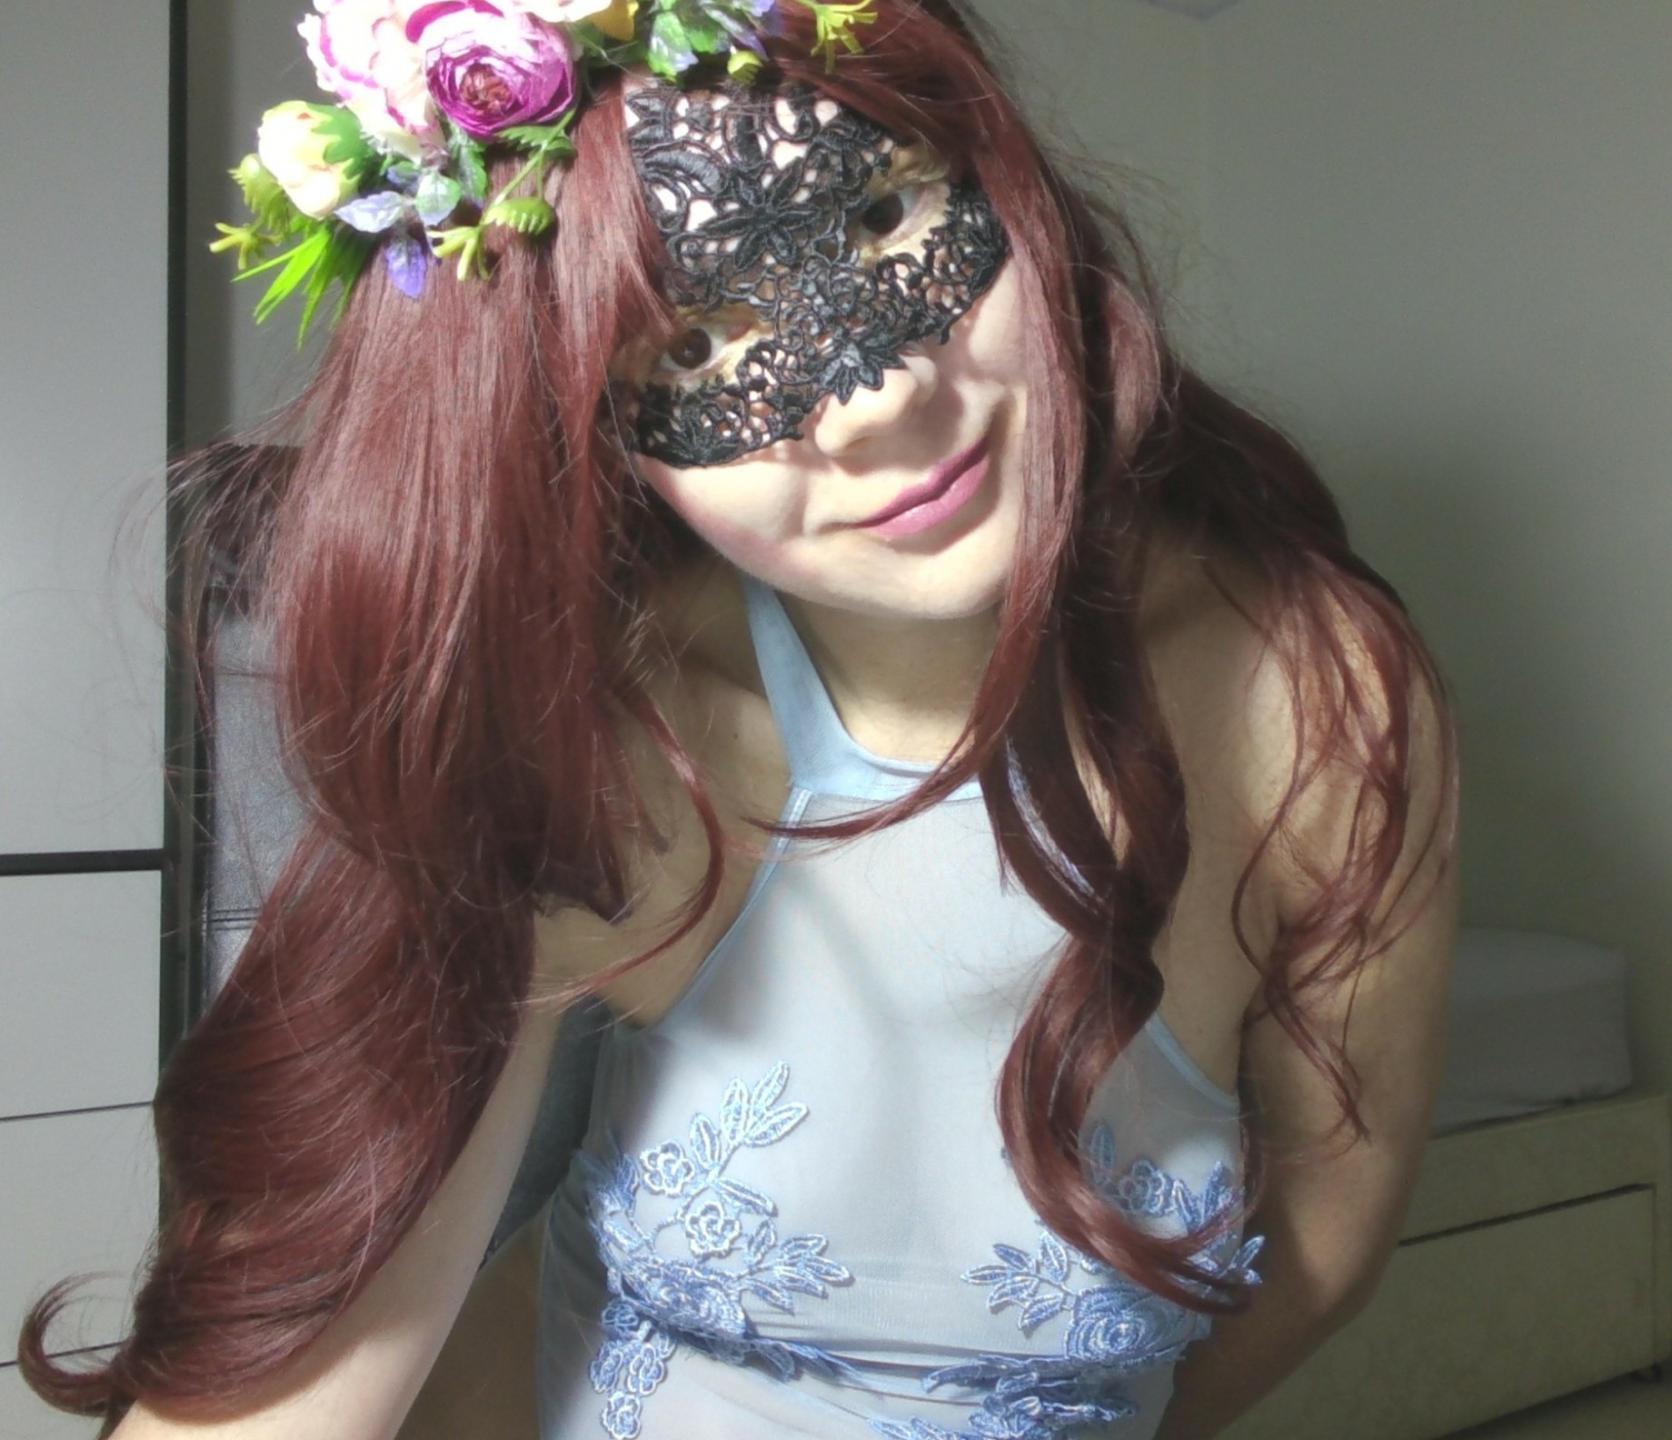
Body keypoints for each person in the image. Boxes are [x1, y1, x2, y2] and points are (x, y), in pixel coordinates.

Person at [17, 3, 1461, 1438]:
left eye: (884, 216)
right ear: (595, 436)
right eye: (699, 349)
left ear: (1005, 178)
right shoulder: (605, 736)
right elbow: (291, 1381)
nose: (879, 403)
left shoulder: (1321, 704)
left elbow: (1325, 1250)